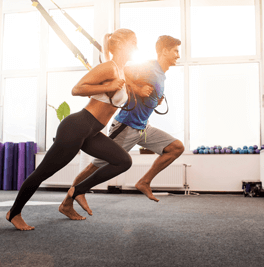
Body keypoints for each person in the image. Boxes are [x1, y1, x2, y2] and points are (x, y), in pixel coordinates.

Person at [6, 28, 138, 230]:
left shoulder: (118, 70)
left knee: (123, 161)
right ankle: (14, 212)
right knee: (43, 173)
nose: (136, 47)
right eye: (133, 43)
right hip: (77, 127)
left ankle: (76, 191)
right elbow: (77, 89)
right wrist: (108, 88)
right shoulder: (109, 68)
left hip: (92, 131)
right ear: (121, 45)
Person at [68, 35, 185, 216]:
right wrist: (137, 89)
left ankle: (144, 182)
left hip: (143, 127)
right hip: (126, 125)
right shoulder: (149, 67)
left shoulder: (161, 74)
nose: (178, 55)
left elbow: (146, 94)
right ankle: (68, 200)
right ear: (164, 51)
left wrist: (156, 100)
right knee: (95, 166)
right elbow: (122, 71)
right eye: (176, 51)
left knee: (176, 147)